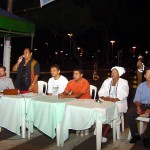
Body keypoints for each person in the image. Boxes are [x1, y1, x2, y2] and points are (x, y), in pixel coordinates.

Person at [98, 66, 129, 142]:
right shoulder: (107, 81)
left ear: (119, 74)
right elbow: (101, 91)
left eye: (115, 72)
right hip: (107, 102)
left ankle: (104, 133)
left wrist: (113, 99)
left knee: (112, 113)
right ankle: (101, 127)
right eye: (112, 72)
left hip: (118, 103)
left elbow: (124, 94)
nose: (113, 74)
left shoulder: (124, 82)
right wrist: (104, 97)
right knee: (100, 110)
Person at [126, 66, 150, 143]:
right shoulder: (141, 86)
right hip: (142, 105)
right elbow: (137, 99)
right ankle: (135, 134)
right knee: (129, 113)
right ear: (145, 76)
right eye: (148, 74)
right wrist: (138, 107)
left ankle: (147, 137)